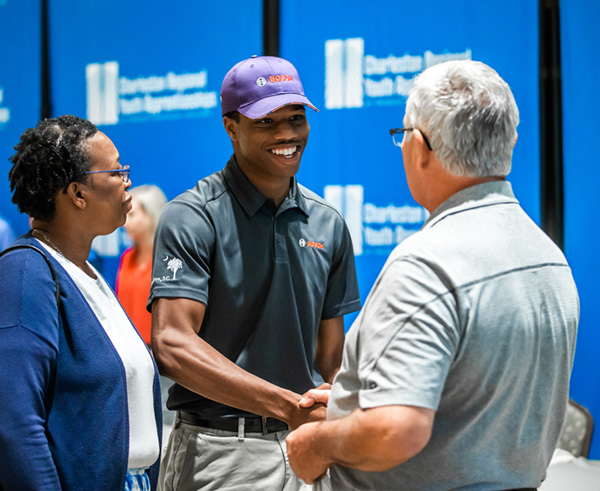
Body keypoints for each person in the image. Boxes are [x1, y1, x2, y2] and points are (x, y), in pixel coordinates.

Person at [286, 60, 580, 490]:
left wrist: (320, 442)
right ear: (510, 140)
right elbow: (480, 400)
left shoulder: (426, 265)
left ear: (420, 147)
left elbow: (396, 430)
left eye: (404, 136)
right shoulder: (548, 257)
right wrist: (362, 401)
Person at [150, 55, 361, 490]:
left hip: (308, 446)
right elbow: (172, 345)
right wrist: (286, 405)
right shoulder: (192, 216)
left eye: (296, 118)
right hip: (219, 451)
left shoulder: (328, 223)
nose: (287, 134)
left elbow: (330, 360)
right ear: (231, 127)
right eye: (266, 121)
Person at [0, 115, 162, 491]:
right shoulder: (25, 272)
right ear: (77, 193)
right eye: (117, 172)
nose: (128, 182)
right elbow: (14, 420)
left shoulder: (84, 269)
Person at [117, 184, 168, 347]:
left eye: (132, 215)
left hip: (160, 354)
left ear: (151, 215)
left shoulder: (169, 260)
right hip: (129, 350)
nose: (125, 223)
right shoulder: (127, 257)